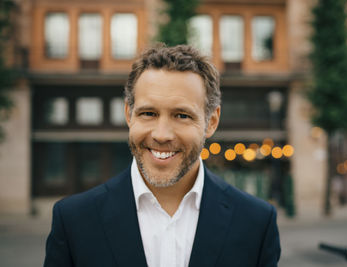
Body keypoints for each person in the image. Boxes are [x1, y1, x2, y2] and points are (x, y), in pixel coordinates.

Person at [44, 44, 281, 267]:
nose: (162, 134)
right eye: (148, 113)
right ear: (128, 114)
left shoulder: (256, 223)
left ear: (212, 122)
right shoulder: (73, 221)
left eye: (182, 115)